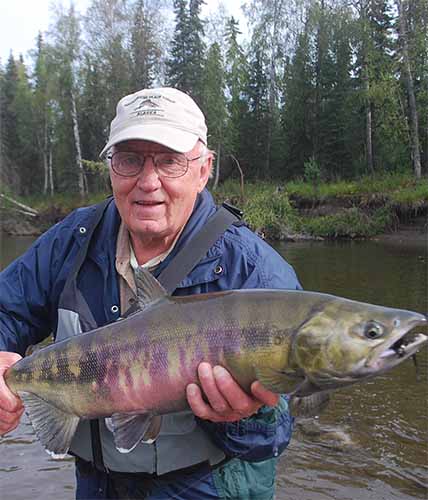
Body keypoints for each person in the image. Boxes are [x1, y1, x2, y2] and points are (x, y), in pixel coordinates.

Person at [0, 87, 302, 499]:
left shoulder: (255, 271)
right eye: (129, 160)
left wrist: (244, 417)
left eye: (169, 161)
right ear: (110, 167)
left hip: (209, 486)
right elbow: (6, 311)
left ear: (203, 169)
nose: (148, 182)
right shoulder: (71, 240)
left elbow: (280, 434)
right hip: (98, 484)